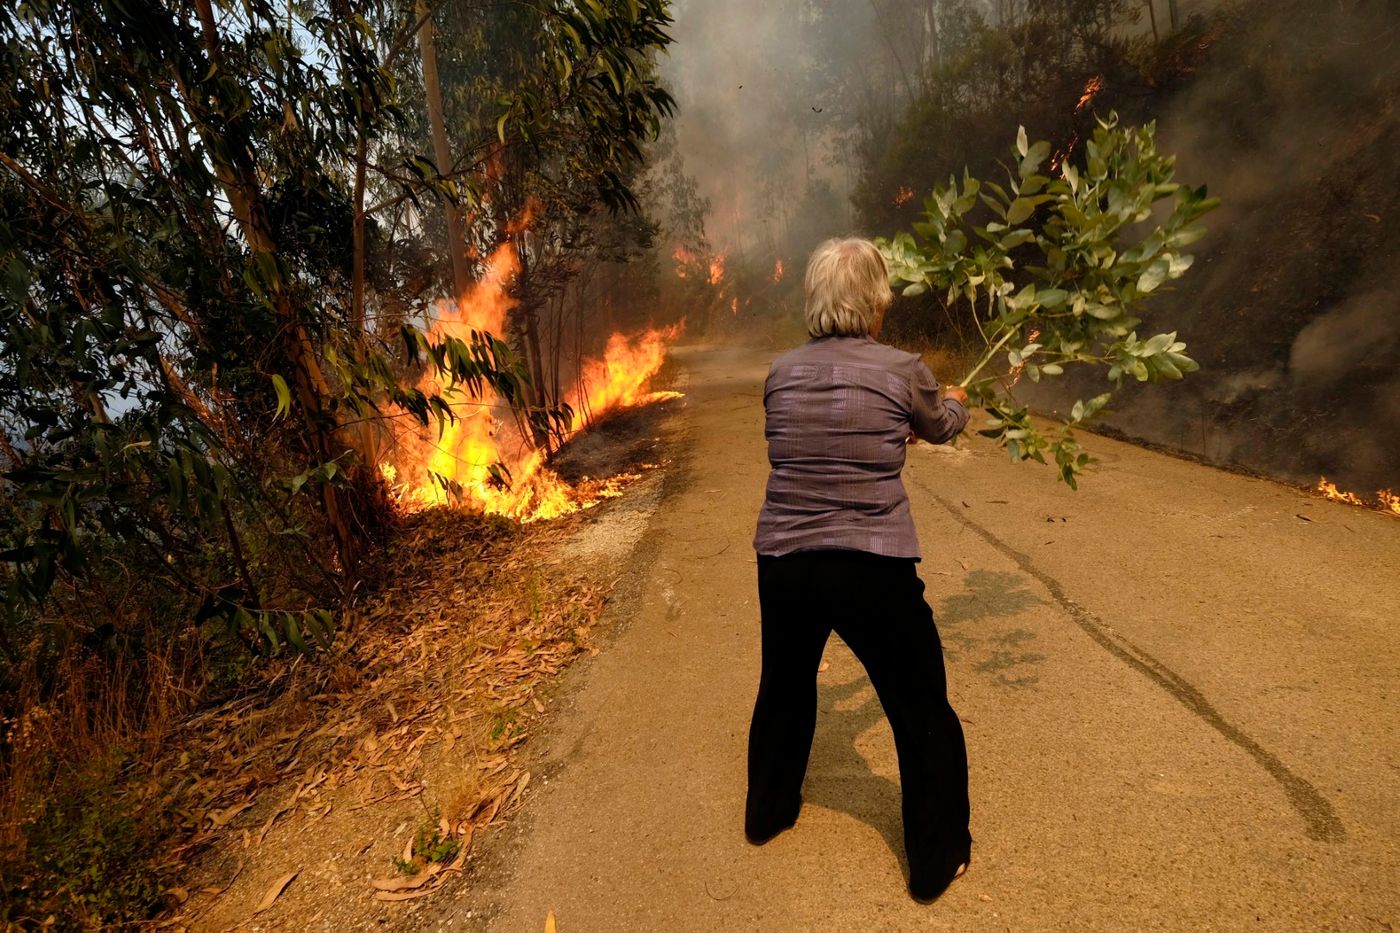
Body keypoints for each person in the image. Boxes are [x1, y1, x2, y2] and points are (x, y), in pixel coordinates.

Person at [746, 237, 972, 903]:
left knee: (784, 686)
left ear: (815, 298)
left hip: (785, 561)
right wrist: (955, 401)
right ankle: (936, 859)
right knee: (920, 705)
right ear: (875, 301)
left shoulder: (780, 373)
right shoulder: (904, 370)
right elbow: (940, 427)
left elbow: (803, 440)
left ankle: (767, 813)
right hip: (871, 564)